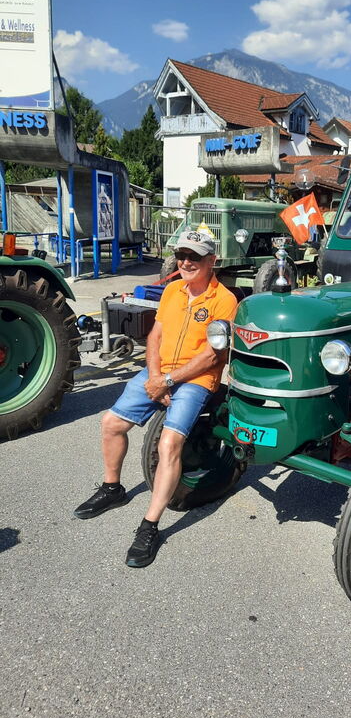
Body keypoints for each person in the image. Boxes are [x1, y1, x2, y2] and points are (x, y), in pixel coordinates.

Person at [74, 231, 238, 567]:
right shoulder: (173, 290)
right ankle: (112, 489)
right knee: (111, 423)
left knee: (169, 444)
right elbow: (155, 336)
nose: (186, 262)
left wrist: (168, 381)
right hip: (159, 373)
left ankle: (150, 526)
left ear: (212, 261)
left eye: (194, 257)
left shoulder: (225, 300)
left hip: (196, 380)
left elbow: (212, 356)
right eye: (181, 255)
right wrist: (154, 377)